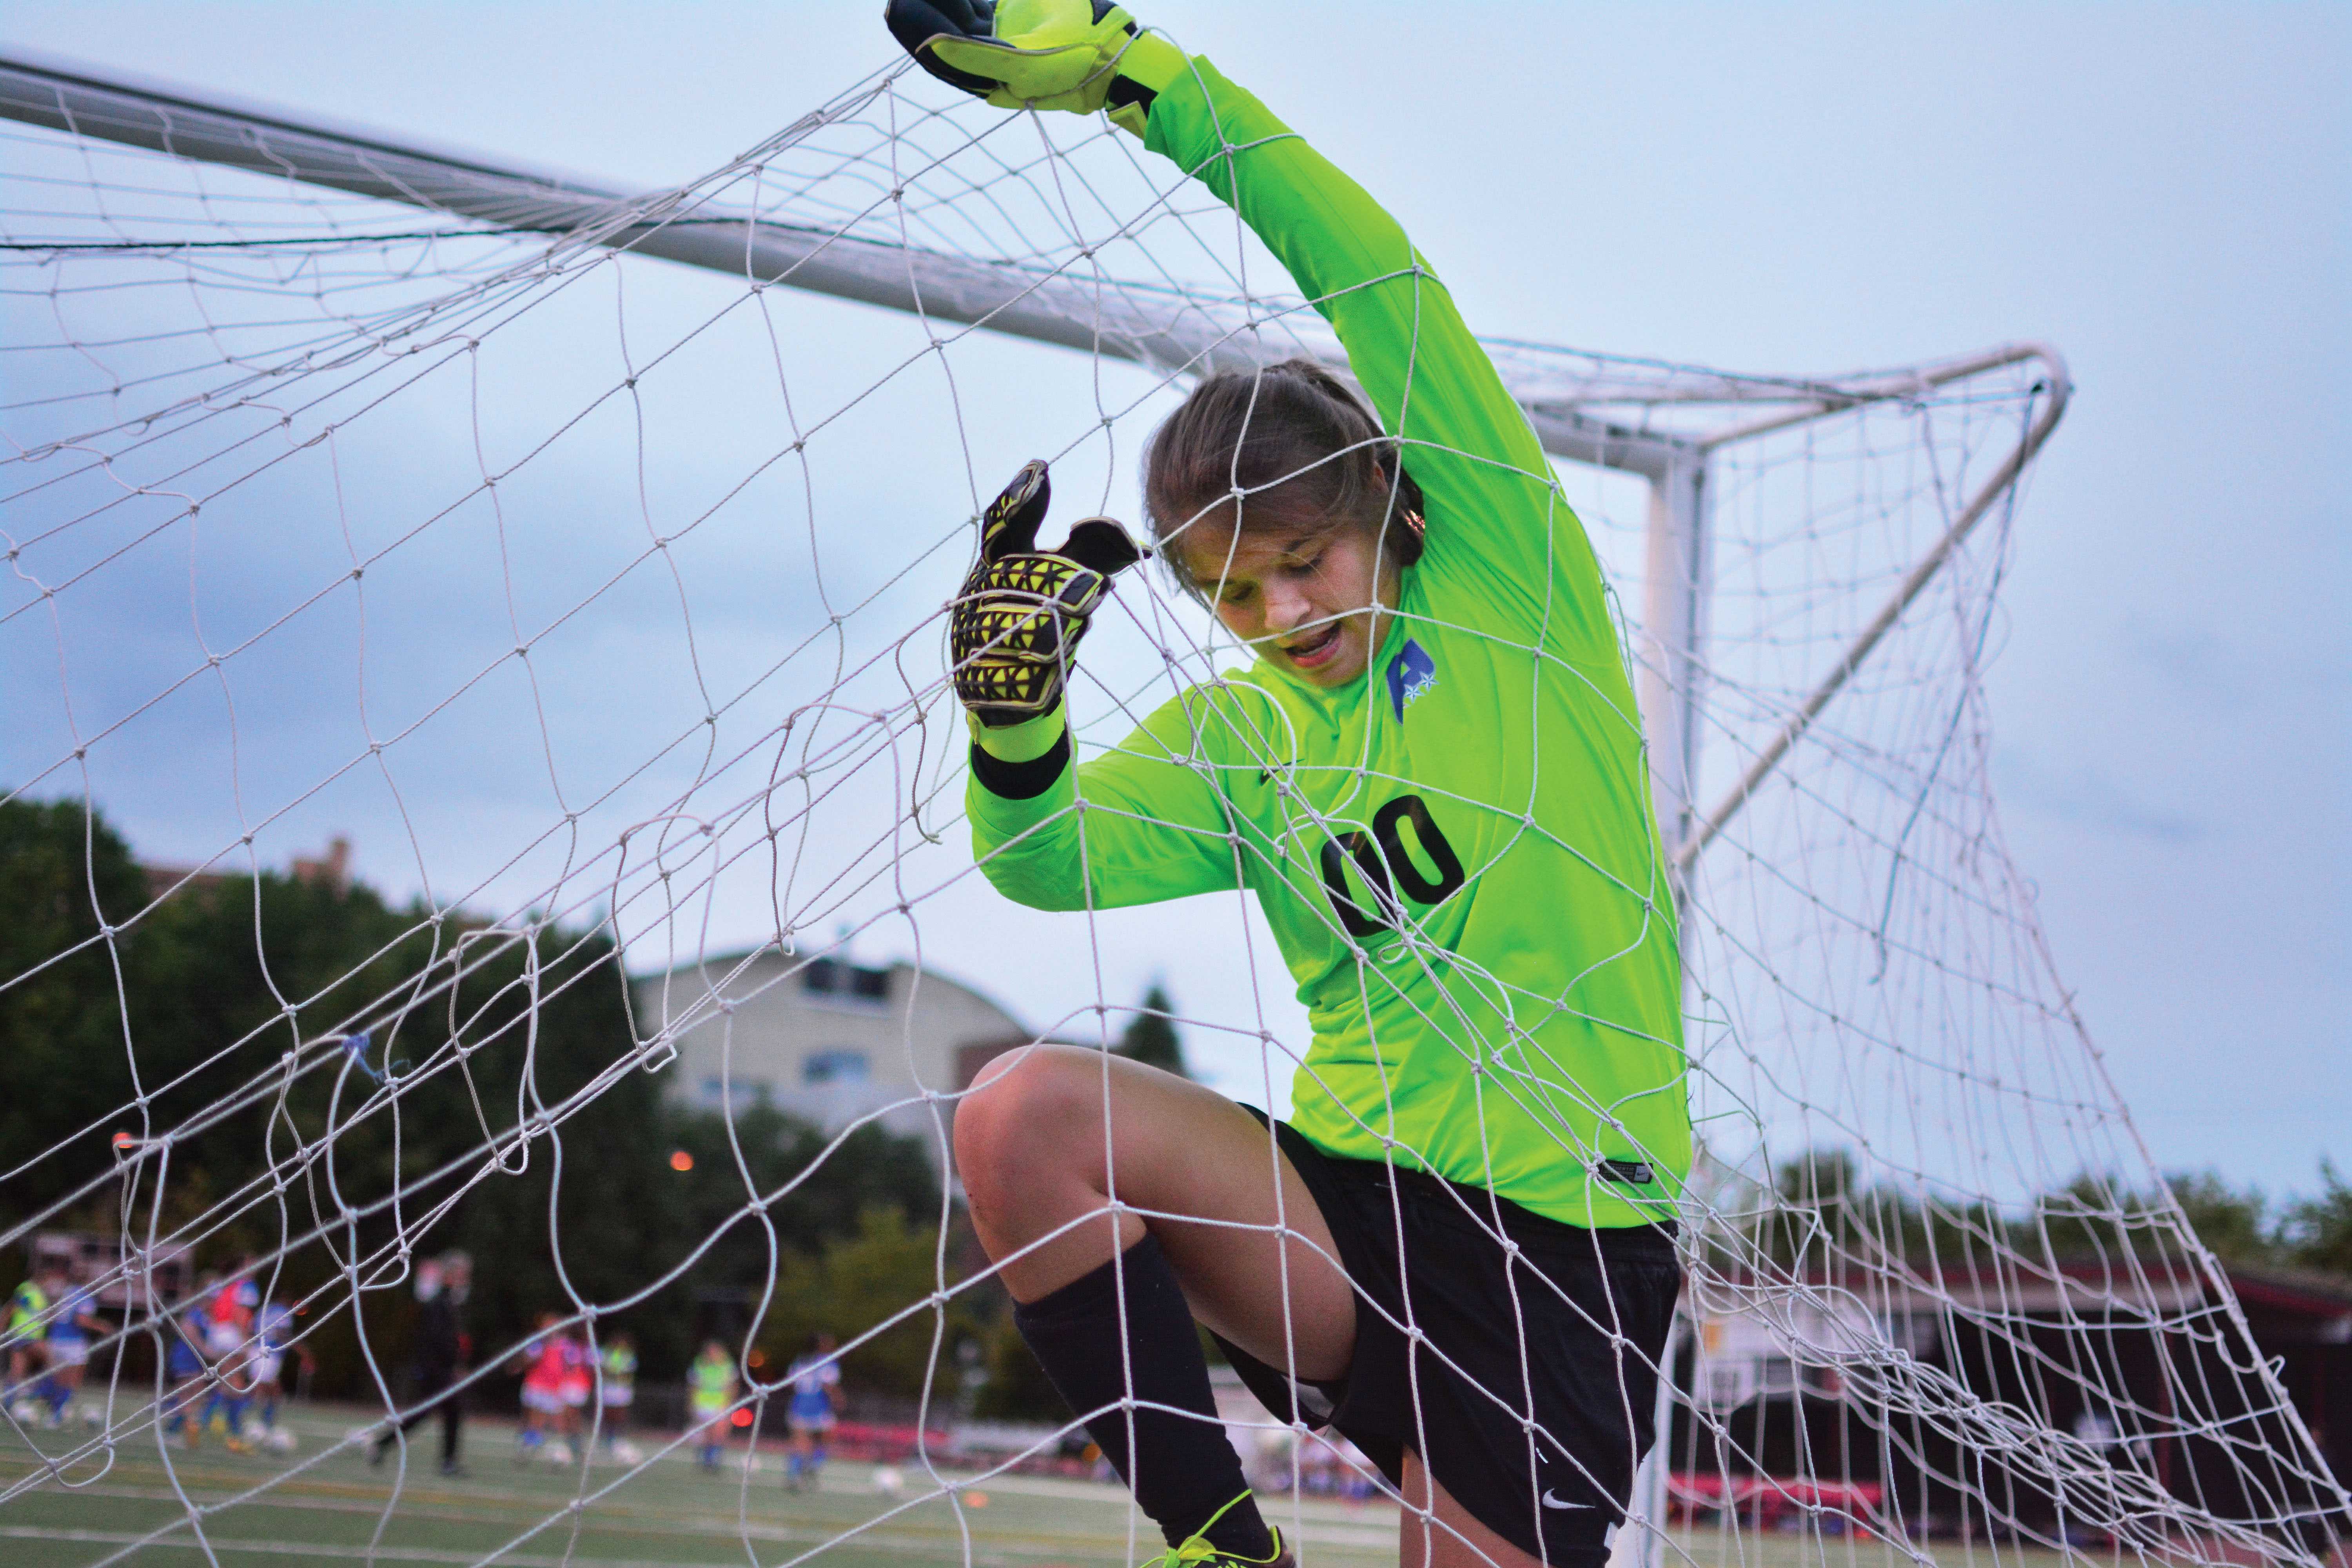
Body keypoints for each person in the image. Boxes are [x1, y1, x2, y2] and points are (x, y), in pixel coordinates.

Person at [893, 5, 1688, 1565]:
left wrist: (1143, 83)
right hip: (1335, 1207)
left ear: (1389, 506)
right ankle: (1216, 1542)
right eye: (1230, 597)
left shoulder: (1509, 587)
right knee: (1015, 1116)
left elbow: (1373, 273)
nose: (1282, 620)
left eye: (1303, 566)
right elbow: (1043, 858)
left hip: (1563, 1246)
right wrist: (1012, 725)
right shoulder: (1237, 741)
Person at [371, 1249, 470, 1475]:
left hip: (440, 1369)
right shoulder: (439, 1303)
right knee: (425, 1414)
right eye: (462, 1273)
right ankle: (382, 1445)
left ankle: (447, 1461)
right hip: (435, 1370)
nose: (464, 1279)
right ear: (451, 1274)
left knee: (447, 1412)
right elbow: (437, 1340)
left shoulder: (448, 1302)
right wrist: (451, 1365)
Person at [39, 1271, 109, 1428]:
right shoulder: (86, 1297)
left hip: (56, 1339)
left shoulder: (68, 1292)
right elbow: (81, 1320)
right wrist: (101, 1326)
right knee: (72, 1381)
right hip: (72, 1342)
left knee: (60, 1379)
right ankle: (53, 1413)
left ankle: (53, 1410)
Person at [781, 1331, 844, 1493]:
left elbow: (791, 1383)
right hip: (818, 1406)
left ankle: (796, 1474)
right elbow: (828, 1384)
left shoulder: (800, 1361)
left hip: (799, 1404)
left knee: (803, 1442)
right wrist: (838, 1398)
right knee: (826, 1437)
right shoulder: (828, 1362)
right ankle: (811, 1467)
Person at [686, 1341, 737, 1473]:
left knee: (720, 1432)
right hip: (703, 1403)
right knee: (707, 1433)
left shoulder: (727, 1365)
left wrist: (729, 1402)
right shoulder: (700, 1364)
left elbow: (733, 1386)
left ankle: (714, 1459)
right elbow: (693, 1386)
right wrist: (691, 1403)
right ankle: (707, 1459)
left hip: (720, 1404)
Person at [596, 1334, 641, 1465]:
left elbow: (628, 1373)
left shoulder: (629, 1356)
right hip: (609, 1386)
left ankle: (617, 1437)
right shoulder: (607, 1353)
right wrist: (612, 1375)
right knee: (608, 1413)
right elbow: (603, 1369)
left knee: (620, 1414)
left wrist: (616, 1375)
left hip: (622, 1388)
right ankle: (606, 1437)